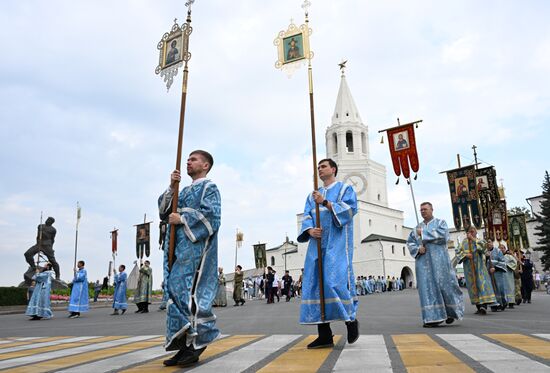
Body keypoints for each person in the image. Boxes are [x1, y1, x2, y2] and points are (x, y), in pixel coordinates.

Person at [158, 150, 221, 367]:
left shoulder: (209, 187)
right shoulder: (183, 190)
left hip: (196, 249)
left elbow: (213, 217)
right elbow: (163, 211)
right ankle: (184, 345)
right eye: (188, 159)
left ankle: (198, 343)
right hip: (177, 248)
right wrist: (171, 187)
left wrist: (183, 218)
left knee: (191, 295)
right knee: (175, 293)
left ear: (205, 165)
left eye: (193, 159)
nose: (188, 162)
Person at [297, 158, 359, 349]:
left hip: (337, 242)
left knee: (334, 282)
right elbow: (307, 215)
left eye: (323, 166)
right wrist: (309, 231)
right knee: (316, 284)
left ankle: (351, 320)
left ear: (333, 169)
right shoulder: (312, 195)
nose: (320, 169)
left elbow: (350, 210)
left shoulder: (344, 190)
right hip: (317, 244)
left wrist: (324, 202)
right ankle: (324, 334)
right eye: (318, 167)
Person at [406, 202, 464, 327]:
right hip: (423, 264)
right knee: (427, 288)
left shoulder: (440, 223)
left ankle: (450, 312)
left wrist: (425, 234)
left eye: (425, 209)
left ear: (432, 209)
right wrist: (417, 249)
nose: (422, 211)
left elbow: (444, 237)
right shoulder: (416, 229)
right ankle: (433, 318)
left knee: (446, 286)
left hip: (440, 262)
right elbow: (410, 243)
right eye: (421, 210)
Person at [455, 227, 497, 315]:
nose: (470, 233)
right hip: (469, 269)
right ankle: (478, 306)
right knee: (473, 287)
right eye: (468, 232)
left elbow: (483, 248)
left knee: (481, 285)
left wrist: (473, 239)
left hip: (480, 268)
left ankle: (483, 306)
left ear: (475, 232)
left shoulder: (479, 240)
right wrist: (466, 255)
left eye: (472, 231)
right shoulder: (463, 243)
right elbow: (457, 252)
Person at [489, 243, 509, 311]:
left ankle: (502, 302)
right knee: (491, 289)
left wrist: (495, 268)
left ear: (492, 243)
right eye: (487, 242)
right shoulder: (484, 252)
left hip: (497, 272)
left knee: (500, 288)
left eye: (489, 242)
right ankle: (494, 305)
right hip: (488, 274)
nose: (488, 244)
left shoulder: (498, 251)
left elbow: (503, 262)